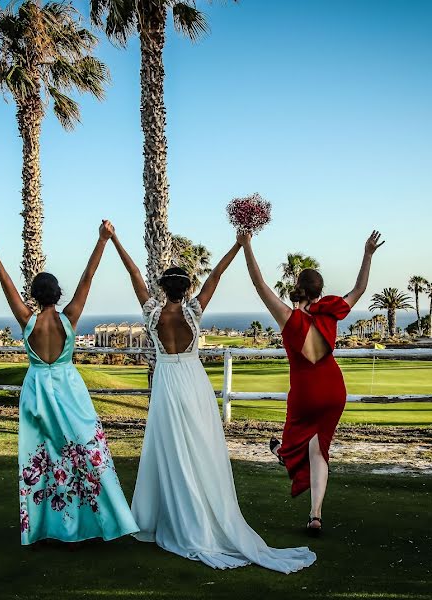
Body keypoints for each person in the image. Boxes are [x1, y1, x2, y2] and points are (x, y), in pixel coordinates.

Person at [111, 226, 316, 573]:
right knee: (200, 447)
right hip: (193, 381)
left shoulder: (152, 315)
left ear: (162, 289)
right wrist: (239, 245)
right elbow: (217, 274)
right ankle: (204, 515)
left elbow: (133, 273)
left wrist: (115, 239)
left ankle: (179, 518)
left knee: (170, 448)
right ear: (187, 289)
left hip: (166, 382)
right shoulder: (194, 311)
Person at [0, 218, 138, 545]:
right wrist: (103, 239)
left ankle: (50, 526)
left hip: (37, 391)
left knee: (45, 457)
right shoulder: (70, 316)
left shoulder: (27, 319)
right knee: (88, 453)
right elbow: (88, 278)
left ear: (33, 295)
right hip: (68, 388)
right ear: (57, 294)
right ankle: (105, 520)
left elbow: (4, 280)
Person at [239, 230, 384, 535]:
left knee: (293, 440)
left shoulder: (288, 317)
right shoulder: (331, 311)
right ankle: (315, 515)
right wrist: (367, 253)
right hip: (333, 388)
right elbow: (359, 288)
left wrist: (246, 245)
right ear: (320, 290)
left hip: (305, 391)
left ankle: (282, 453)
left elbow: (259, 284)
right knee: (319, 451)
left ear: (297, 289)